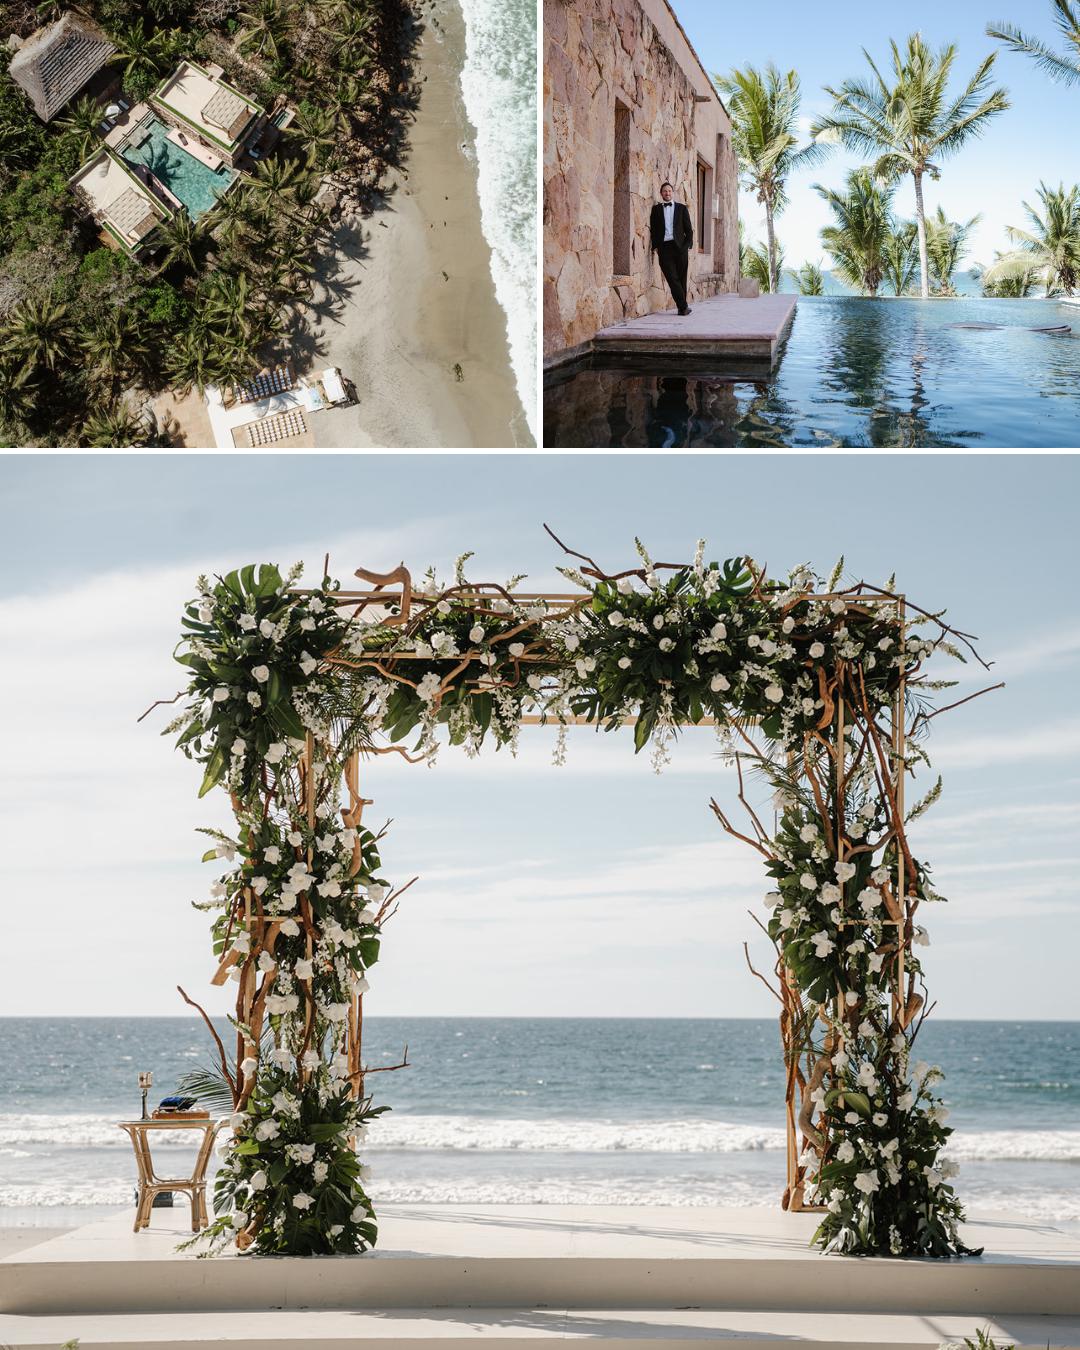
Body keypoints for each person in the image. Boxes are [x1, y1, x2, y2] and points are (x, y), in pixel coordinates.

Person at [649, 181, 693, 316]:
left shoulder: (682, 208)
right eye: (664, 191)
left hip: (680, 247)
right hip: (664, 248)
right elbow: (654, 229)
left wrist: (686, 247)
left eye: (669, 191)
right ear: (661, 194)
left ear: (672, 193)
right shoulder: (656, 210)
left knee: (681, 278)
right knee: (672, 278)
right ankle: (683, 305)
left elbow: (689, 231)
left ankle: (682, 308)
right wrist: (656, 246)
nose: (667, 193)